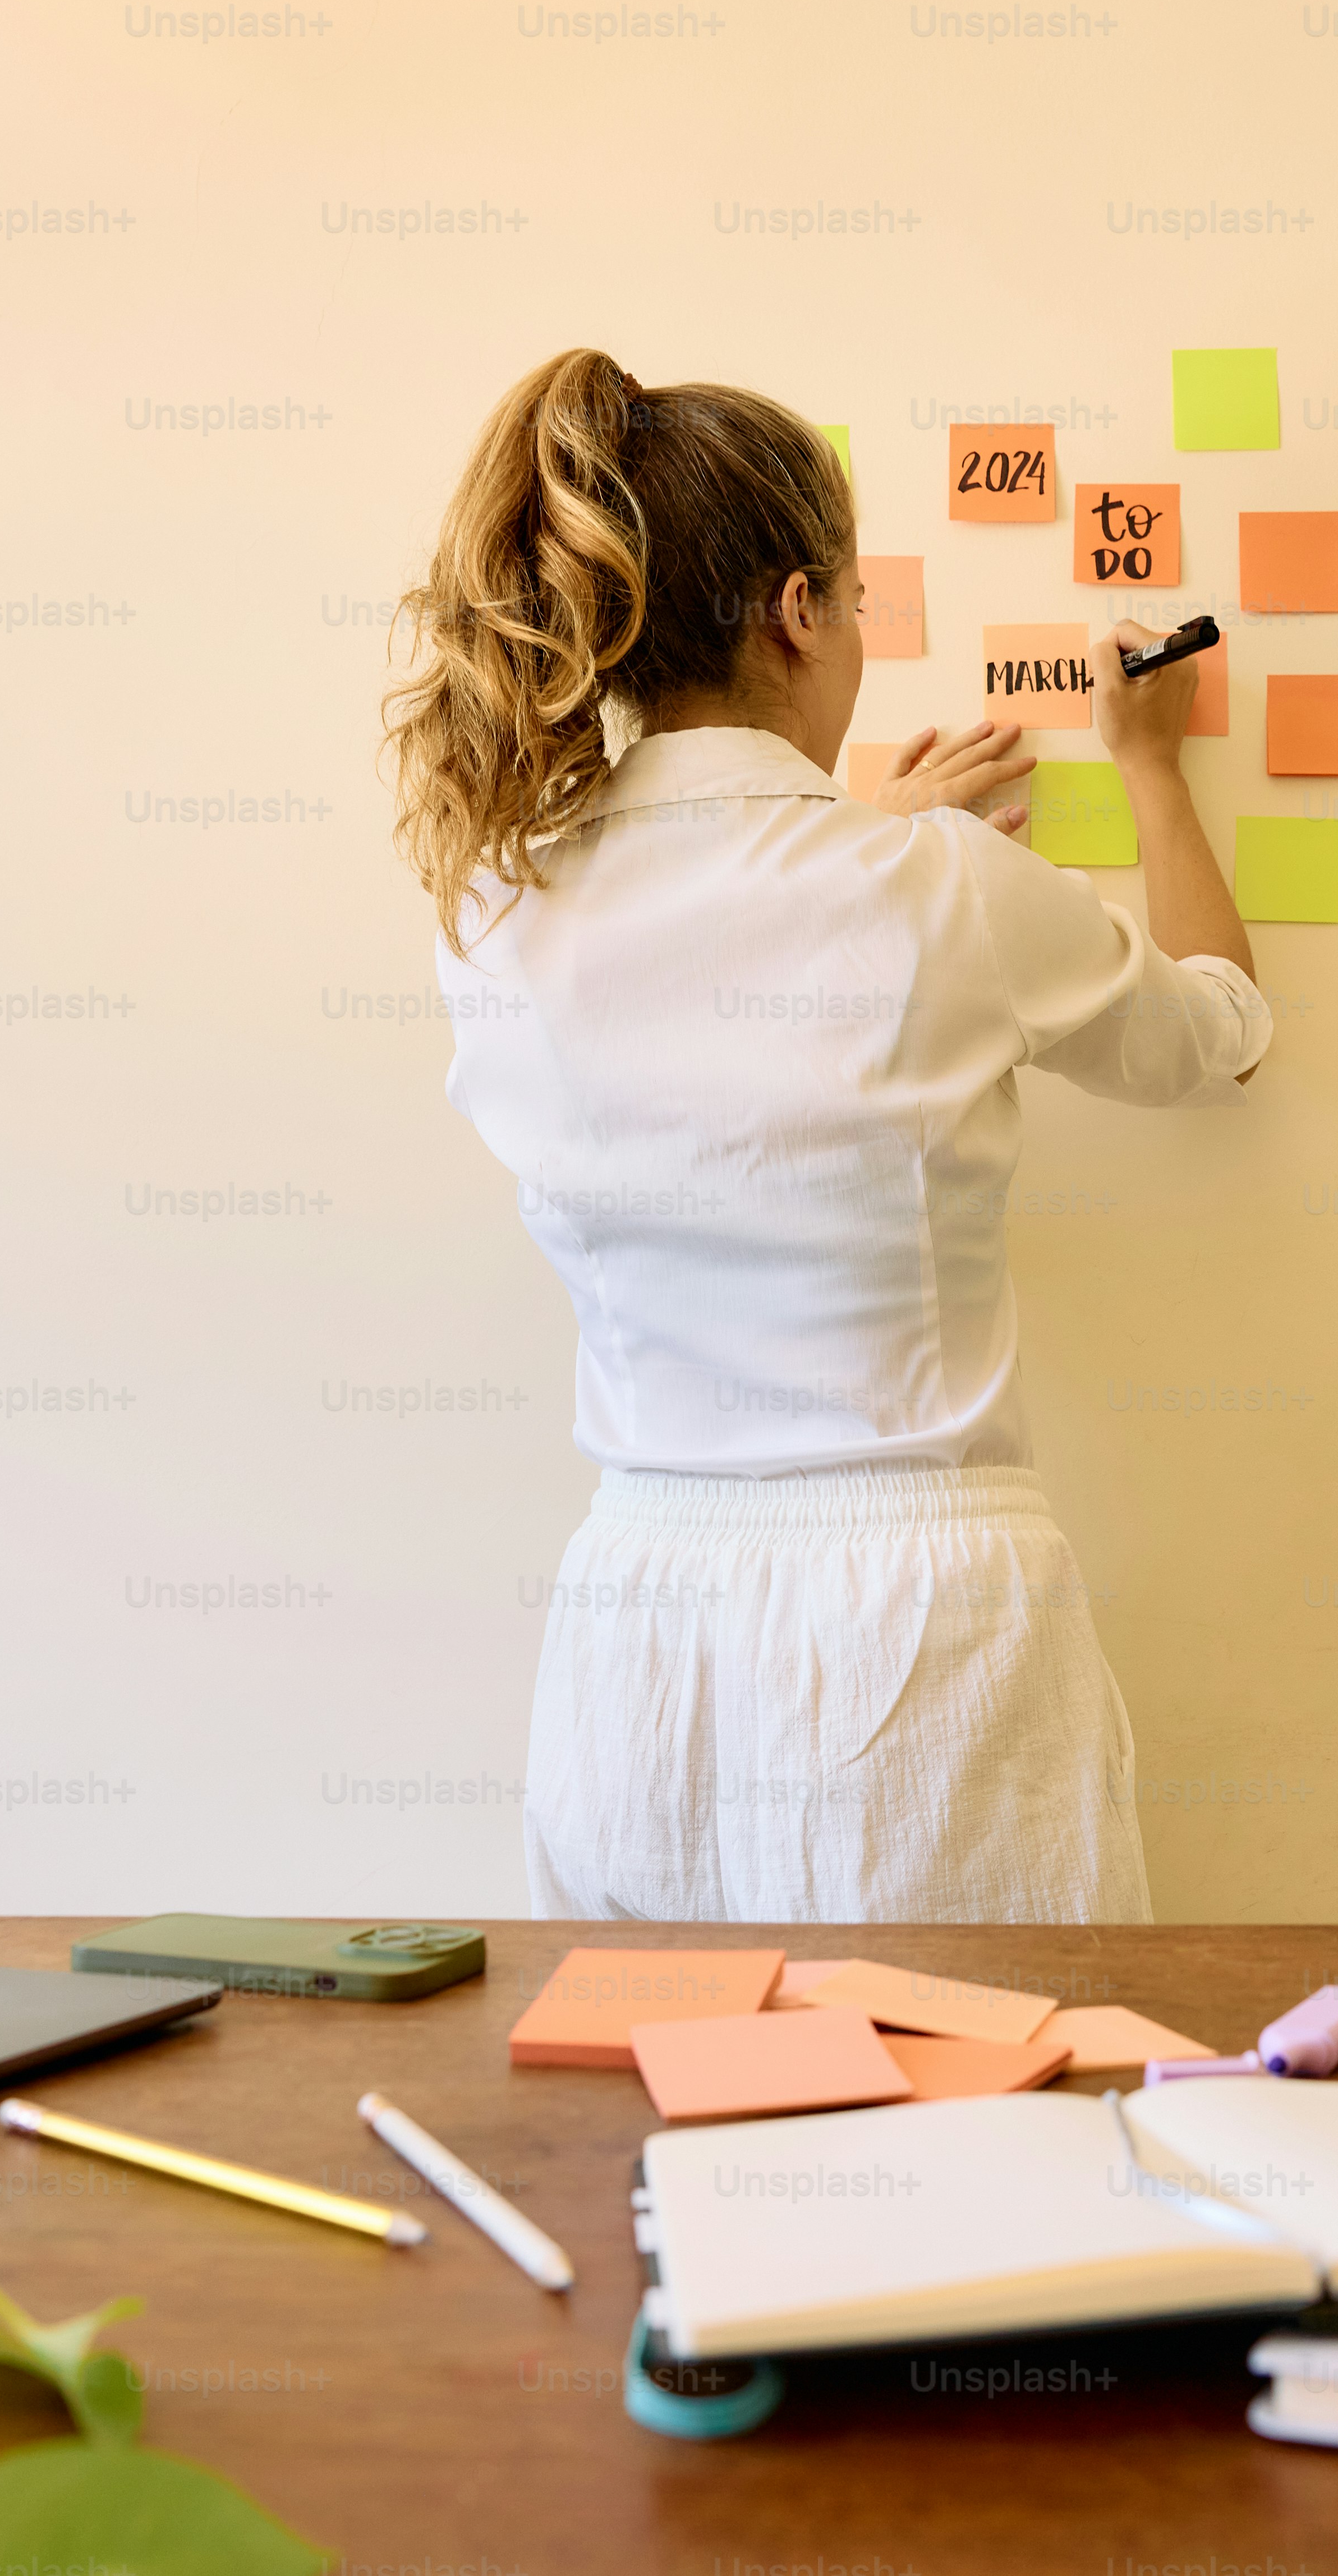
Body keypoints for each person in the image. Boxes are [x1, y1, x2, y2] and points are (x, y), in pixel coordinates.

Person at [384, 349, 1269, 1925]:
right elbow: (1219, 1033)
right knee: (991, 2122)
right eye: (858, 600)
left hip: (637, 1636)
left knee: (650, 2134)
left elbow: (735, 949)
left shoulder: (495, 910)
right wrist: (1146, 765)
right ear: (799, 609)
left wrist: (870, 828)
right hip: (923, 1638)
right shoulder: (939, 894)